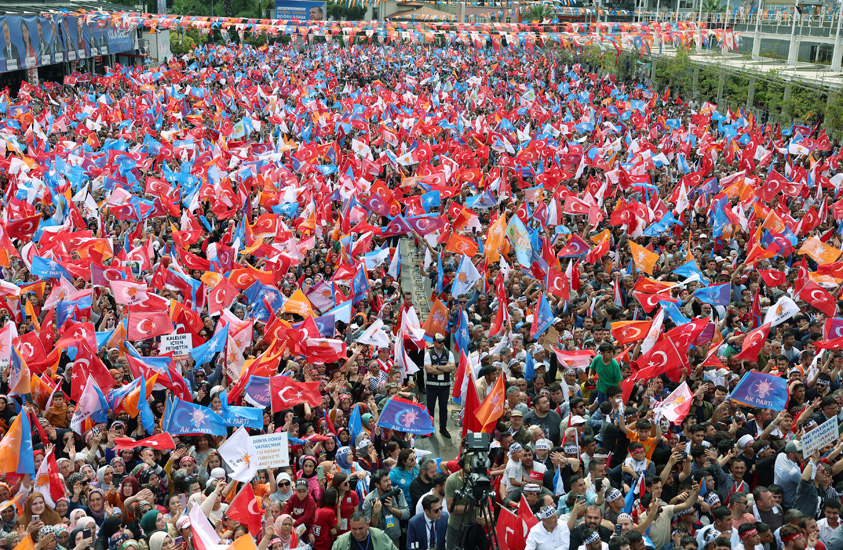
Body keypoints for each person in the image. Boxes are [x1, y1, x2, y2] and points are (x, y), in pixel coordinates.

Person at [423, 333, 455, 439]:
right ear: (435, 342)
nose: (442, 344)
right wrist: (444, 368)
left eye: (443, 341)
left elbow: (452, 368)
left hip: (445, 387)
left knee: (443, 408)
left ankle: (443, 428)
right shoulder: (428, 354)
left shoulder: (448, 353)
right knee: (430, 408)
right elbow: (428, 369)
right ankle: (429, 429)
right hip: (432, 386)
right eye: (440, 342)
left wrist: (436, 367)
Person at [332, 512, 398, 550]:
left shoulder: (380, 536)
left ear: (367, 524)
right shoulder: (341, 542)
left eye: (361, 528)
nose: (357, 532)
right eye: (354, 529)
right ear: (350, 526)